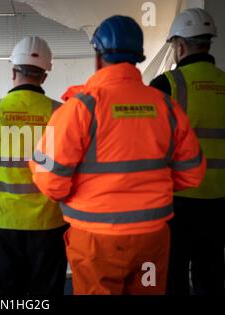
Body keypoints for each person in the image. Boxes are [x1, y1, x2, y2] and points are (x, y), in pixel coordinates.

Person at [29, 16, 206, 295]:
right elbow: (193, 172)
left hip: (96, 241)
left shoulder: (78, 108)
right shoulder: (166, 106)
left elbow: (49, 178)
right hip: (151, 239)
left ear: (98, 56)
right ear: (137, 57)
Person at [0, 36, 68, 295]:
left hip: (2, 223)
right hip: (50, 224)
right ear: (44, 76)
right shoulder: (62, 114)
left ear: (13, 72)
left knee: (6, 293)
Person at [150, 8, 225, 295]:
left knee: (173, 274)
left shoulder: (166, 85)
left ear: (179, 46)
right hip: (219, 200)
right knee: (212, 274)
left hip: (177, 201)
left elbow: (149, 144)